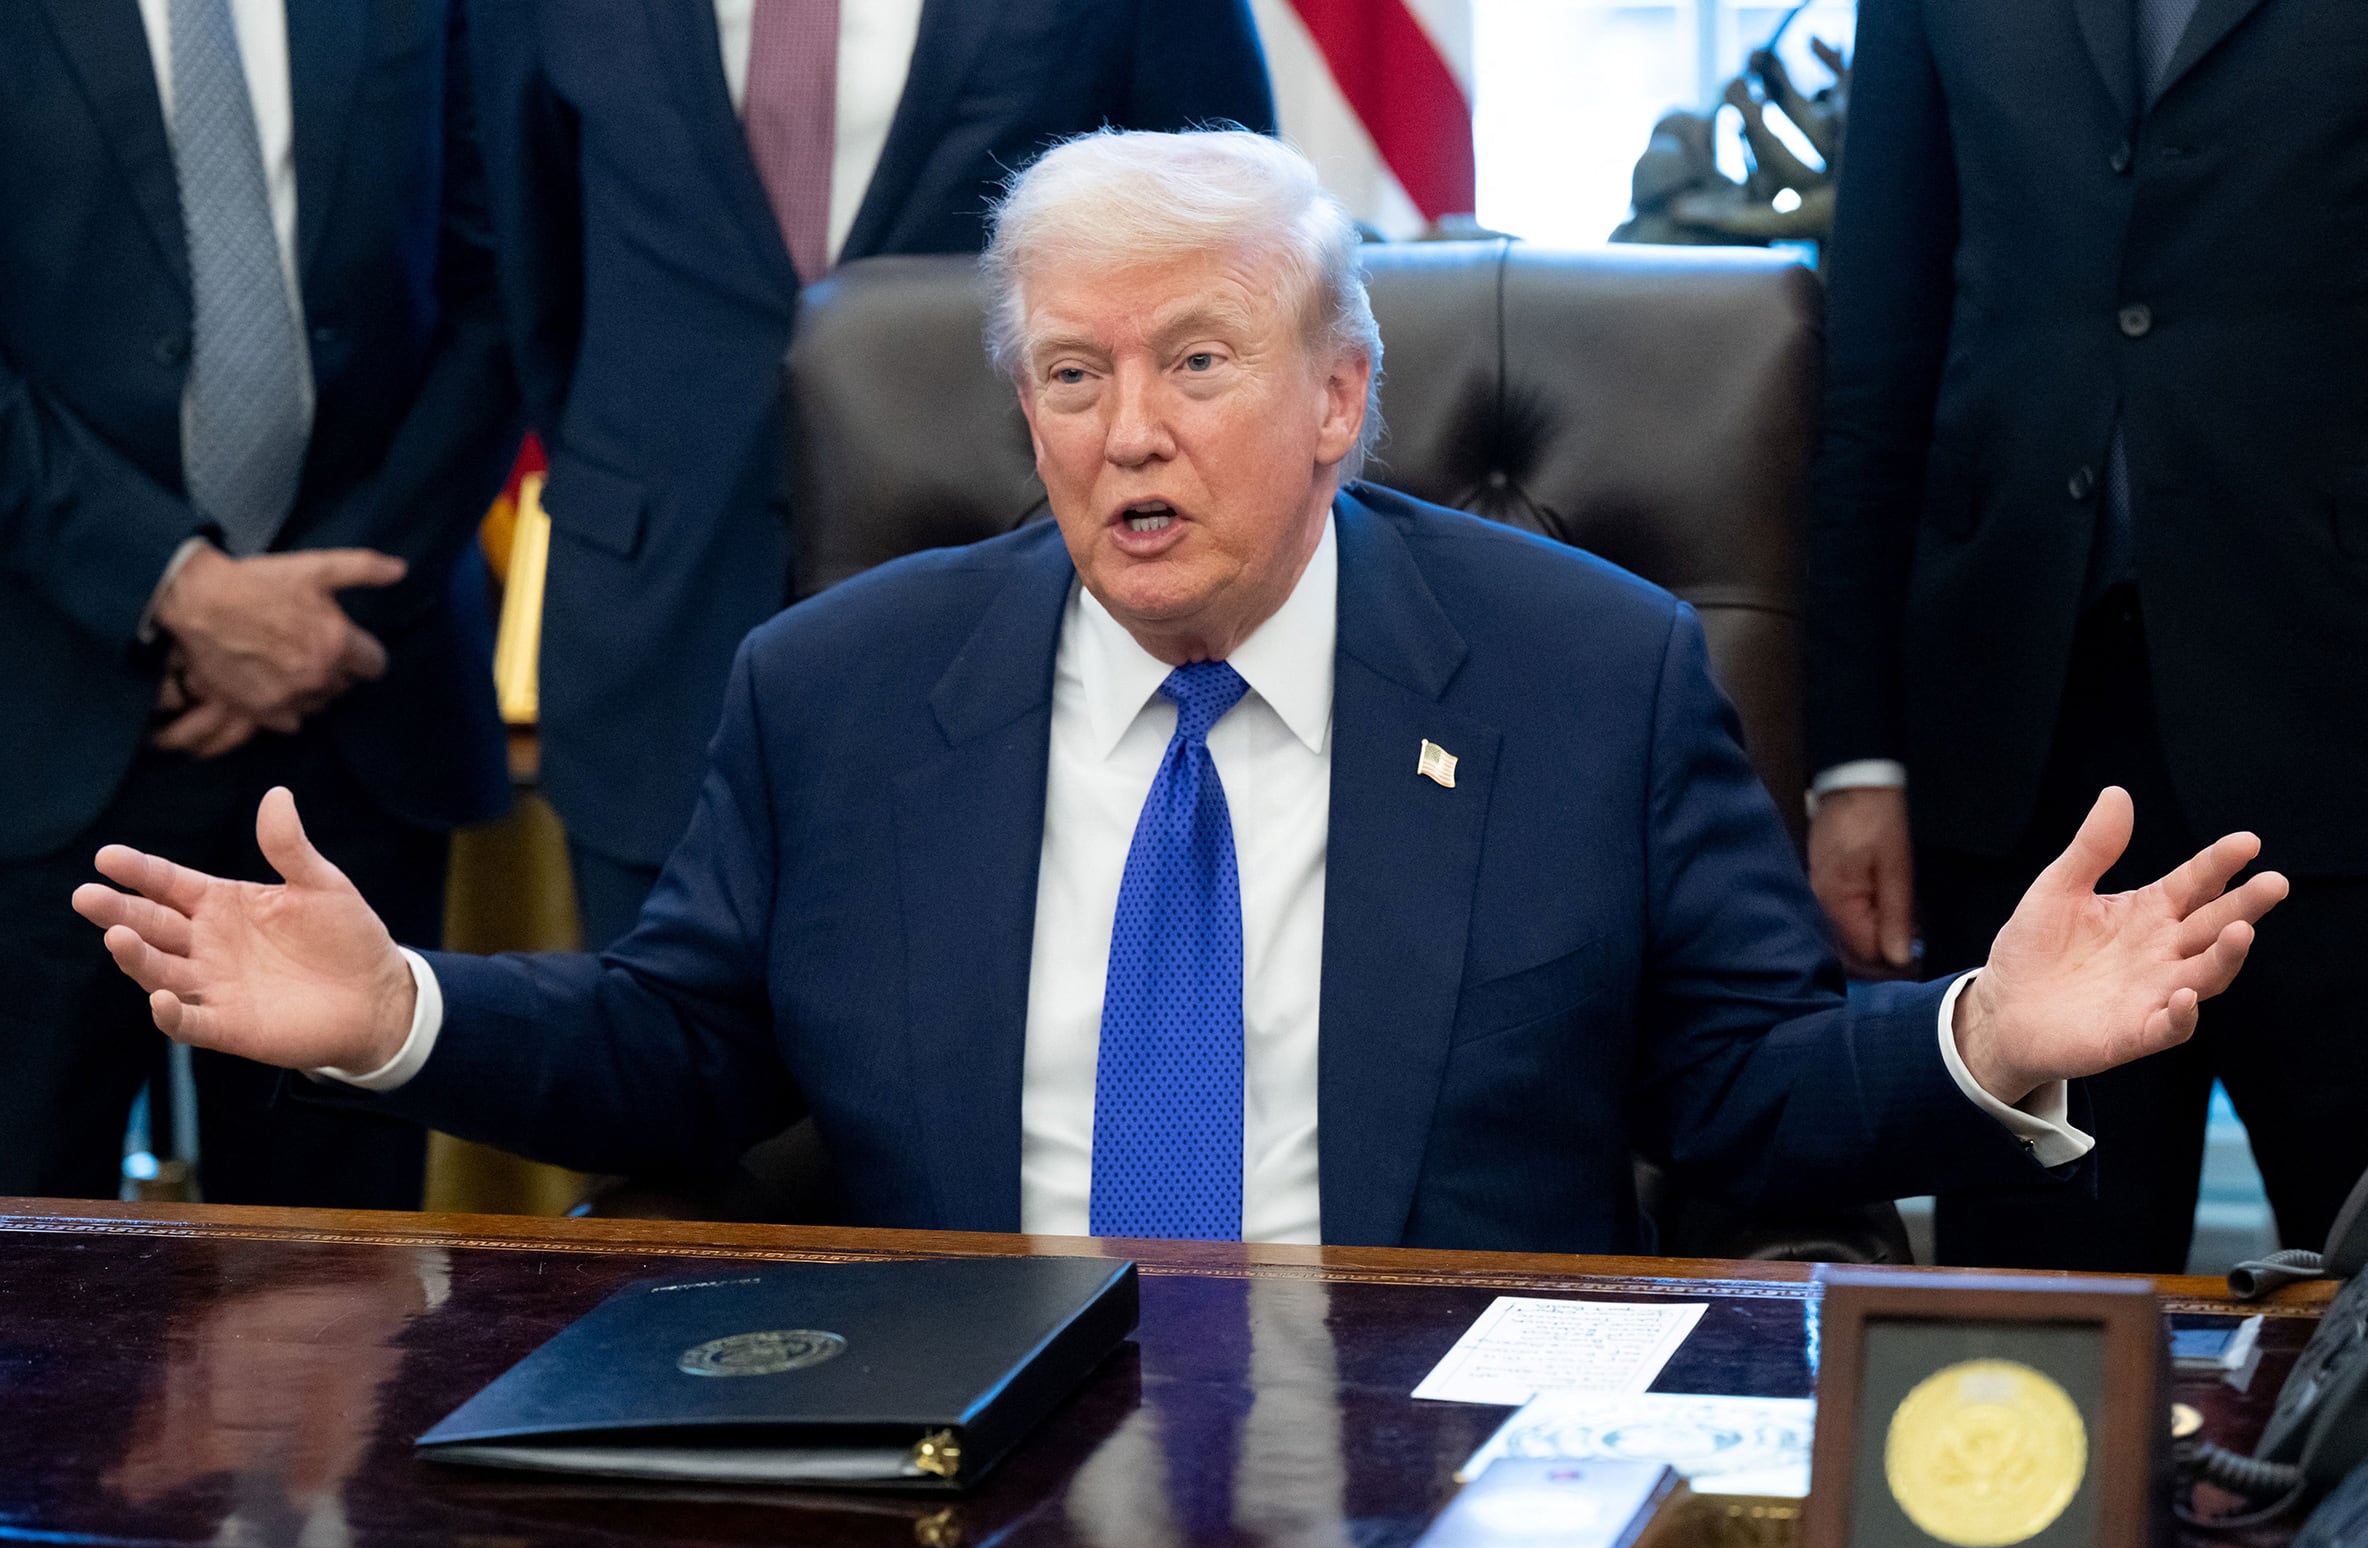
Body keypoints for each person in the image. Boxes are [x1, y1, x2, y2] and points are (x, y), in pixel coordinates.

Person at [75, 131, 2285, 1251]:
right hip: (963, 1429)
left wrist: (1989, 1033)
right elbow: (680, 1056)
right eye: (1069, 376)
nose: (1124, 433)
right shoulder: (840, 685)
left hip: (1434, 1448)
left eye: (1194, 366)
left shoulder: (1577, 674)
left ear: (1337, 400)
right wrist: (397, 1018)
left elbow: (1725, 1104)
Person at [471, 0, 1276, 949]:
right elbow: (533, 273)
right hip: (658, 638)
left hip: (1013, 624)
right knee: (658, 1065)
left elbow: (1227, 255)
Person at [1804, 0, 2368, 1271]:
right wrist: (1855, 756)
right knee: (2037, 1326)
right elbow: (1877, 348)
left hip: (2332, 706)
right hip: (2018, 738)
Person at [1, 0, 519, 1206]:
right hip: (43, 704)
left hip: (358, 710)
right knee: (33, 1298)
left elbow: (506, 282)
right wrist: (170, 586)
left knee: (339, 1311)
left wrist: (316, 621)